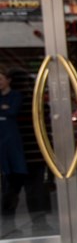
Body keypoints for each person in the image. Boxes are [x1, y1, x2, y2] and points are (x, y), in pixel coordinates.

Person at [0, 66, 28, 220]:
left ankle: (10, 201)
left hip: (11, 137)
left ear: (8, 80)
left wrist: (6, 110)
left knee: (16, 170)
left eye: (1, 79)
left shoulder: (15, 95)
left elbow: (12, 111)